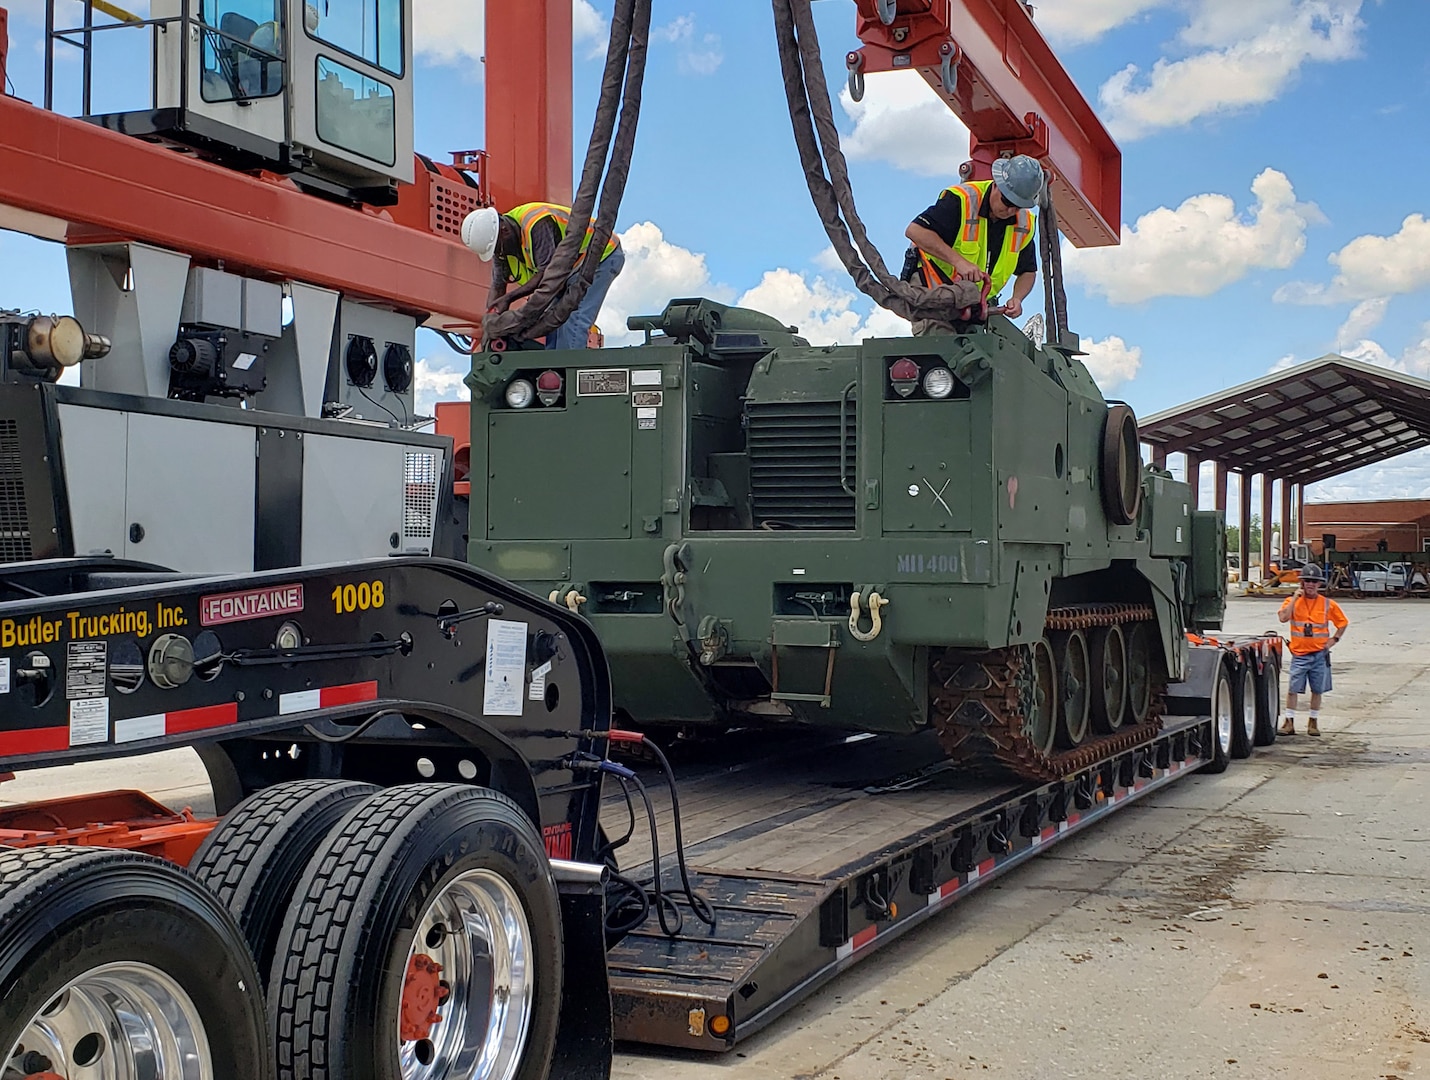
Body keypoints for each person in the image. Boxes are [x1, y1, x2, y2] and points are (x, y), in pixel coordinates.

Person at [902, 155, 1044, 332]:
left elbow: (1027, 271)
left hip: (975, 305)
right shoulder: (962, 200)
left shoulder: (1024, 224)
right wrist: (959, 262)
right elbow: (915, 231)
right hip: (934, 288)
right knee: (942, 349)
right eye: (1006, 201)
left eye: (1017, 206)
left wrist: (1017, 298)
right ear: (995, 185)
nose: (1009, 210)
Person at [461, 204, 625, 350]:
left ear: (504, 231)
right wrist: (492, 318)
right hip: (570, 270)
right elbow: (498, 285)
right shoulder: (501, 245)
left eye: (498, 249)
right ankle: (554, 372)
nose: (499, 254)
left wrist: (509, 299)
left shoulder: (536, 224)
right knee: (549, 321)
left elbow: (548, 275)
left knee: (574, 318)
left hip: (600, 256)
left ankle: (567, 374)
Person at [1277, 563, 1348, 736]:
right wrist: (1295, 598)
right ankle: (1289, 722)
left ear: (1319, 584)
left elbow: (1343, 623)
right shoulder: (1291, 602)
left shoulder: (1327, 604)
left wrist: (1333, 640)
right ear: (1302, 583)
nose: (1310, 584)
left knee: (1317, 690)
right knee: (1293, 689)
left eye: (1314, 581)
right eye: (1307, 581)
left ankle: (1313, 722)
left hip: (1319, 655)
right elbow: (1283, 618)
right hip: (1299, 655)